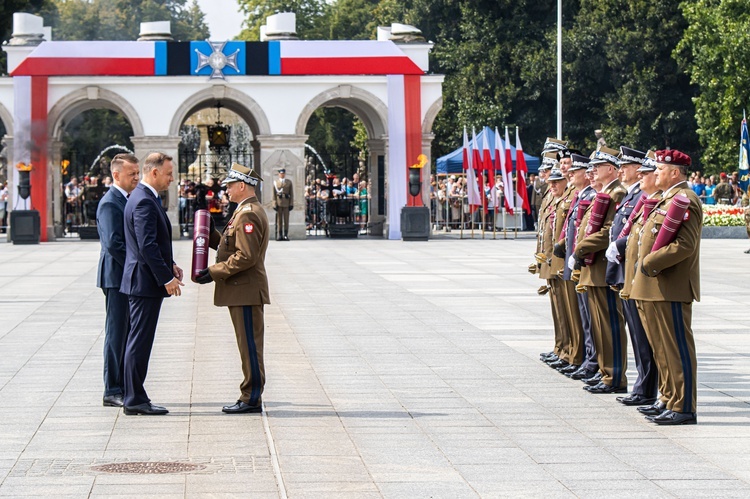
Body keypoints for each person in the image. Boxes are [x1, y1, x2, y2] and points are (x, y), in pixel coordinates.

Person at [630, 149, 701, 425]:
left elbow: (685, 245)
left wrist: (650, 262)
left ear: (674, 172)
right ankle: (669, 398)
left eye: (659, 169)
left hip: (671, 285)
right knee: (661, 348)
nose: (654, 173)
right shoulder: (665, 200)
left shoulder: (686, 199)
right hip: (655, 285)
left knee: (676, 347)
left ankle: (684, 407)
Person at [195, 163, 270, 414]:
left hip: (245, 290)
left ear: (241, 185)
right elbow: (231, 245)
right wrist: (208, 233)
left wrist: (214, 273)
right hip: (242, 289)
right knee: (246, 343)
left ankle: (251, 397)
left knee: (249, 345)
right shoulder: (243, 210)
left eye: (229, 185)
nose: (226, 189)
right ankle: (250, 394)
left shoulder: (248, 213)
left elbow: (246, 256)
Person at [120, 152, 184, 416]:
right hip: (144, 282)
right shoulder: (144, 200)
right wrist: (166, 279)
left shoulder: (145, 197)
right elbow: (146, 246)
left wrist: (170, 264)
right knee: (139, 341)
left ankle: (135, 394)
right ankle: (134, 398)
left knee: (139, 339)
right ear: (154, 172)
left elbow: (152, 242)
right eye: (169, 174)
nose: (171, 179)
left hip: (143, 280)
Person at [605, 147, 658, 406]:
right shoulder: (634, 195)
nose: (621, 170)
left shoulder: (642, 196)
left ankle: (646, 388)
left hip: (637, 271)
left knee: (642, 335)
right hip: (626, 269)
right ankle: (643, 386)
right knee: (637, 334)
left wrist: (620, 246)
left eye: (626, 166)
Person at [573, 146, 628, 394]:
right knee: (599, 324)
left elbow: (608, 232)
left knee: (610, 325)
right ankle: (606, 372)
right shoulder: (603, 193)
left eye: (597, 167)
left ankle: (614, 376)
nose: (592, 171)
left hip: (604, 268)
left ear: (611, 169)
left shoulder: (617, 193)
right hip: (592, 267)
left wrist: (581, 248)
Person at [96, 154, 140, 408]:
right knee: (116, 333)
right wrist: (139, 266)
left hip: (125, 275)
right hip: (116, 276)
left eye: (137, 172)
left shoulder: (126, 199)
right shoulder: (110, 202)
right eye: (132, 173)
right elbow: (114, 244)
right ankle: (112, 389)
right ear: (116, 175)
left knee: (126, 331)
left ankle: (123, 384)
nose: (136, 177)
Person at [273, 168, 293, 241]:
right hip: (279, 203)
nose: (282, 174)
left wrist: (291, 203)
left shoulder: (289, 182)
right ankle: (280, 235)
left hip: (286, 203)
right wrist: (274, 204)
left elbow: (291, 193)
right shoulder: (276, 182)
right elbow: (274, 195)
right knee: (279, 220)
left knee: (286, 220)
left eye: (283, 173)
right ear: (279, 174)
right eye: (281, 173)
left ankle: (285, 235)